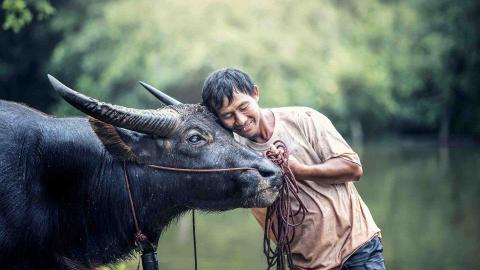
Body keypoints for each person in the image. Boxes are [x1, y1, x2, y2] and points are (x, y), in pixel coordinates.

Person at [201, 68, 385, 270]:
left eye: (243, 107)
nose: (241, 120)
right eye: (228, 115)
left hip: (356, 247)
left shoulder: (304, 119)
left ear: (255, 93)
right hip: (305, 262)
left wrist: (299, 171)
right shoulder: (233, 153)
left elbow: (352, 168)